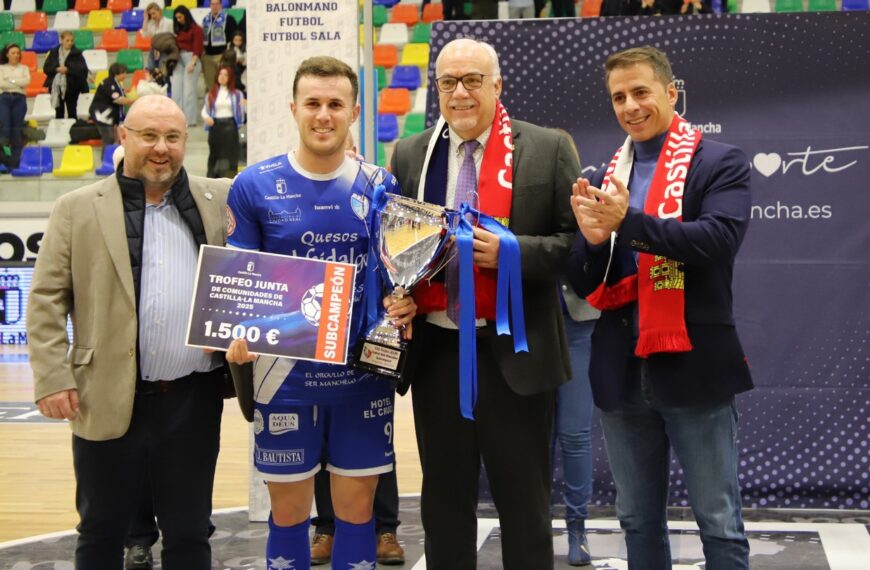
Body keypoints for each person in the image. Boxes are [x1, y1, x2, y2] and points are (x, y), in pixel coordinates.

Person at [390, 38, 579, 570]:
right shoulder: (410, 153)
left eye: (473, 80)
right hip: (437, 352)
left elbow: (574, 244)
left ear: (498, 85)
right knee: (444, 502)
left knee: (525, 504)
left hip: (514, 349)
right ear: (437, 89)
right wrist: (399, 293)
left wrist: (515, 252)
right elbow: (398, 245)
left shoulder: (547, 148)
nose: (461, 92)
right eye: (449, 82)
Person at [224, 56, 416, 570]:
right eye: (313, 103)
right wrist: (236, 330)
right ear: (294, 108)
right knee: (288, 513)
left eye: (335, 104)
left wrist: (404, 302)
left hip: (362, 373)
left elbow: (395, 273)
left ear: (354, 112)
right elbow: (240, 281)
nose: (323, 115)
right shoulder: (253, 185)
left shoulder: (381, 184)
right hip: (282, 376)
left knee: (357, 511)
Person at [565, 46, 753, 570]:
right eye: (619, 97)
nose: (630, 106)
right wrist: (595, 240)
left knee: (718, 521)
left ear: (671, 93)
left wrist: (628, 223)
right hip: (621, 370)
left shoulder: (720, 161)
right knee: (636, 521)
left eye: (641, 92)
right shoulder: (607, 173)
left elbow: (716, 242)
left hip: (693, 364)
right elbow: (584, 282)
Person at [27, 94, 231, 569]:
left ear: (186, 142)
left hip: (193, 401)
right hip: (105, 395)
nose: (161, 148)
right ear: (124, 137)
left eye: (173, 137)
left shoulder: (217, 197)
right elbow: (45, 300)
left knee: (190, 534)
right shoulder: (76, 208)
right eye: (148, 136)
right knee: (100, 532)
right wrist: (53, 376)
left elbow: (276, 195)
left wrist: (345, 152)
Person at [201, 66, 245, 178]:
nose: (222, 77)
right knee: (214, 155)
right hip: (215, 126)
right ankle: (212, 179)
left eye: (225, 75)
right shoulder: (211, 94)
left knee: (230, 156)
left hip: (231, 126)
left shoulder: (237, 94)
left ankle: (229, 179)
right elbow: (204, 110)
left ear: (230, 78)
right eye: (220, 74)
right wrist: (207, 118)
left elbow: (242, 110)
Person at [43, 31, 89, 120]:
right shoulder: (54, 53)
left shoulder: (77, 54)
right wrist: (57, 69)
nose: (70, 43)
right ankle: (59, 132)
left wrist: (68, 70)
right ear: (62, 40)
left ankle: (73, 132)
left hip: (73, 87)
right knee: (59, 112)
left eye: (72, 41)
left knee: (72, 111)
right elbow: (46, 68)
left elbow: (83, 70)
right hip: (57, 87)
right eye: (67, 40)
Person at [170, 5, 203, 126]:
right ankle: (177, 119)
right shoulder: (179, 30)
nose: (178, 20)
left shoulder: (196, 29)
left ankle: (190, 120)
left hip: (191, 58)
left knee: (189, 91)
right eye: (176, 18)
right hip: (179, 59)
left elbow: (197, 48)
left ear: (186, 15)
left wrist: (193, 63)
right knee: (176, 90)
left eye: (180, 17)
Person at [0, 43, 30, 170]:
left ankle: (16, 161)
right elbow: (1, 83)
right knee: (5, 129)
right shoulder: (1, 68)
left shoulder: (24, 68)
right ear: (7, 54)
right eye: (13, 53)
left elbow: (27, 82)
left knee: (16, 130)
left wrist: (10, 81)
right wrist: (17, 83)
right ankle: (5, 158)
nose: (16, 55)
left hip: (19, 99)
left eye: (18, 53)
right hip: (4, 99)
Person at [90, 62, 134, 145]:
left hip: (110, 115)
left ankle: (109, 157)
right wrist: (136, 101)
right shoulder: (109, 83)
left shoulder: (117, 84)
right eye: (124, 73)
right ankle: (105, 158)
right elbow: (119, 100)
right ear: (116, 73)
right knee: (108, 138)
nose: (125, 75)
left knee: (113, 139)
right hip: (102, 114)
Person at [201, 0, 238, 90]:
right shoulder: (205, 19)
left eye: (217, 4)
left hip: (222, 56)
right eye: (212, 4)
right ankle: (213, 102)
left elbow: (234, 37)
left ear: (221, 5)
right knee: (210, 84)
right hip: (208, 57)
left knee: (224, 82)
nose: (215, 6)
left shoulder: (229, 18)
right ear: (210, 5)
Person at [140, 2, 174, 72]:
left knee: (162, 73)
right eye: (150, 14)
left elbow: (173, 37)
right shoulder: (151, 24)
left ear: (160, 11)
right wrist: (145, 19)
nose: (152, 16)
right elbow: (144, 35)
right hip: (154, 50)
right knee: (151, 70)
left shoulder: (169, 22)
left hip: (166, 50)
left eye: (154, 13)